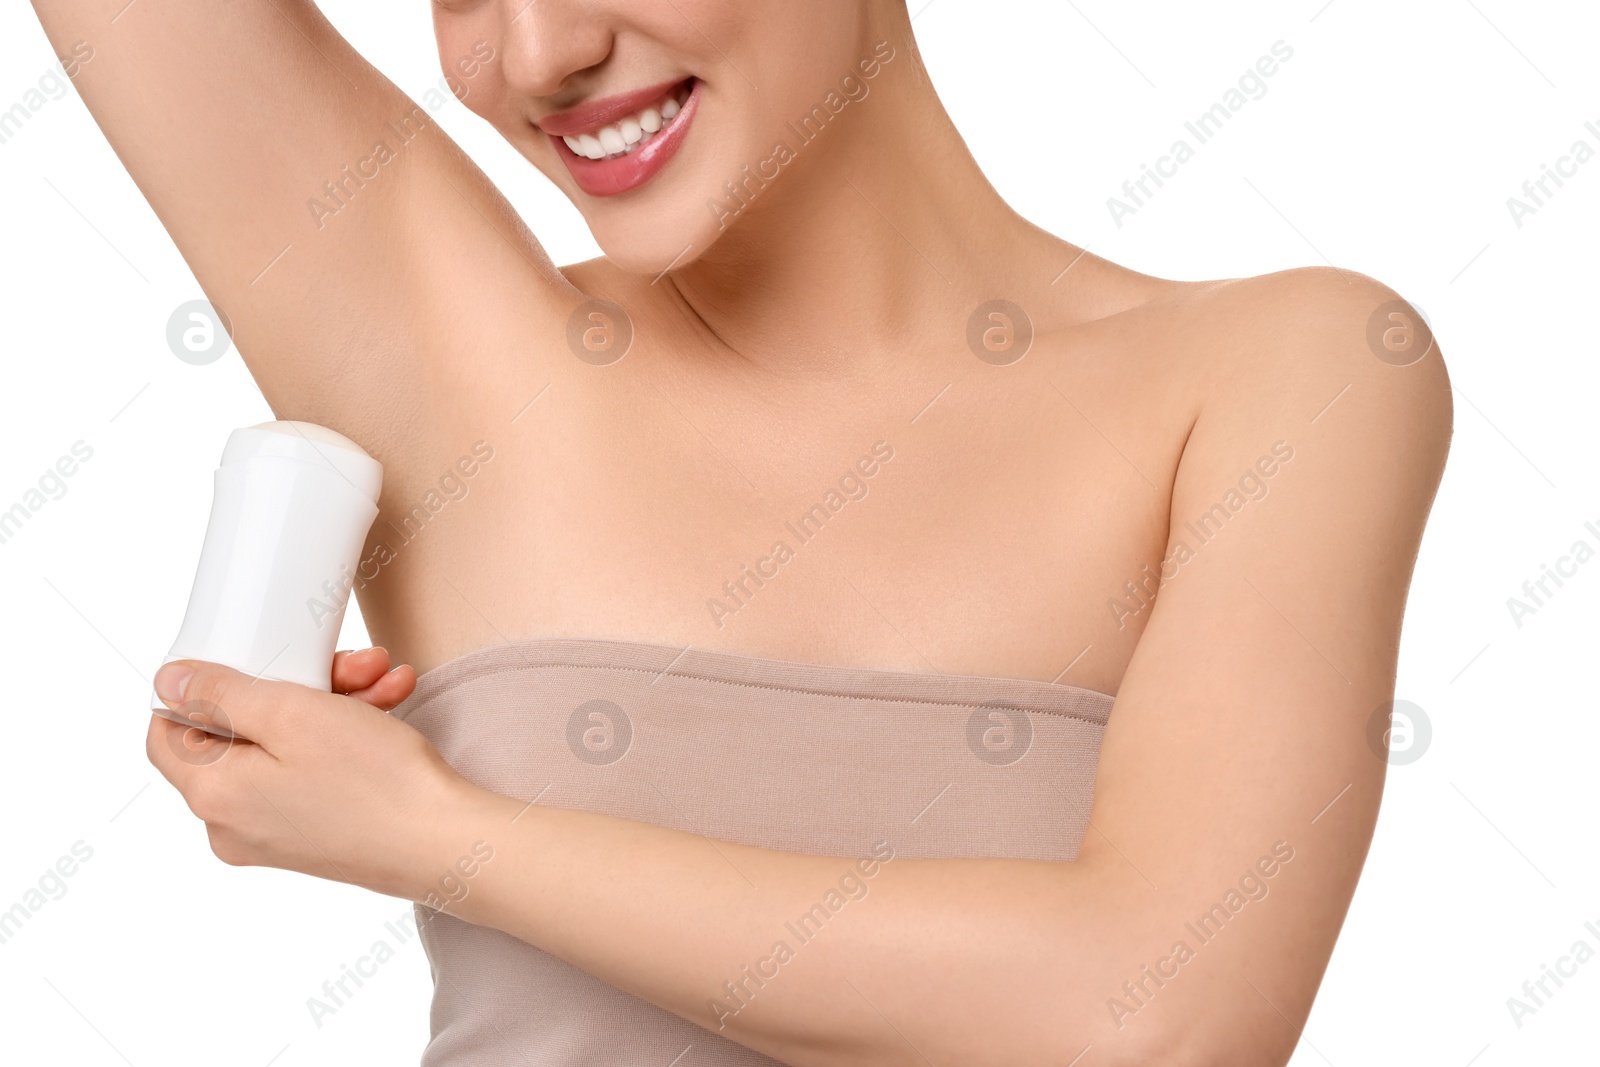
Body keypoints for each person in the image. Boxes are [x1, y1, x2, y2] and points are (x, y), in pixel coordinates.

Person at [30, 0, 1451, 1062]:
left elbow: (1155, 1020)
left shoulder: (1293, 372)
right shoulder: (455, 356)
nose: (538, 53)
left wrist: (435, 833)